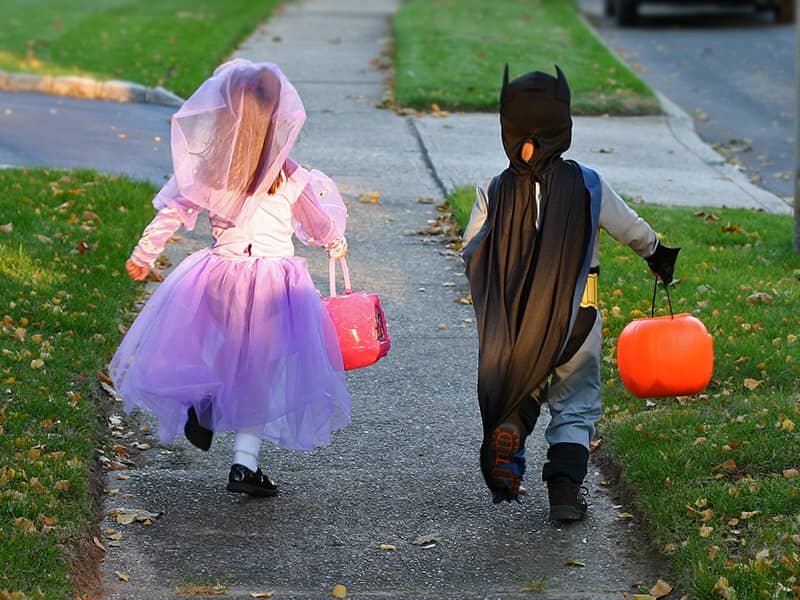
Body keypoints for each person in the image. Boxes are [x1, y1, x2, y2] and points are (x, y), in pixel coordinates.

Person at [110, 59, 351, 497]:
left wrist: (144, 254)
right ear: (278, 116)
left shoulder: (211, 167)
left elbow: (173, 211)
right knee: (260, 370)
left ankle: (203, 402)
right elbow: (318, 222)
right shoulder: (287, 172)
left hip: (220, 278)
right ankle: (244, 464)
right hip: (275, 288)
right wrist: (335, 240)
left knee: (223, 352)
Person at [461, 65, 679, 520]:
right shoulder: (588, 183)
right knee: (576, 404)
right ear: (564, 128)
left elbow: (471, 250)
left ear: (507, 127)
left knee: (522, 383)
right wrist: (659, 256)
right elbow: (634, 231)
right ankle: (563, 493)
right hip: (578, 316)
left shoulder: (494, 191)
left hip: (519, 322)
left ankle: (511, 428)